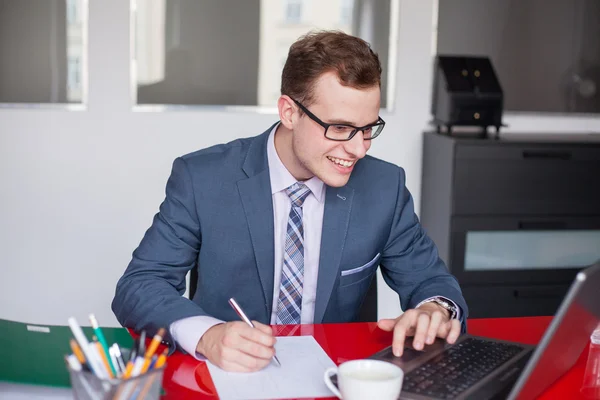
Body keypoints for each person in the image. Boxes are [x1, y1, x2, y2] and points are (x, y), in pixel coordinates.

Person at [112, 30, 468, 373]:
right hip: (229, 378)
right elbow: (140, 285)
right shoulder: (202, 179)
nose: (358, 149)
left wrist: (434, 309)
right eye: (340, 129)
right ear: (289, 112)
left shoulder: (384, 186)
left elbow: (430, 280)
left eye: (368, 129)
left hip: (336, 379)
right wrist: (206, 336)